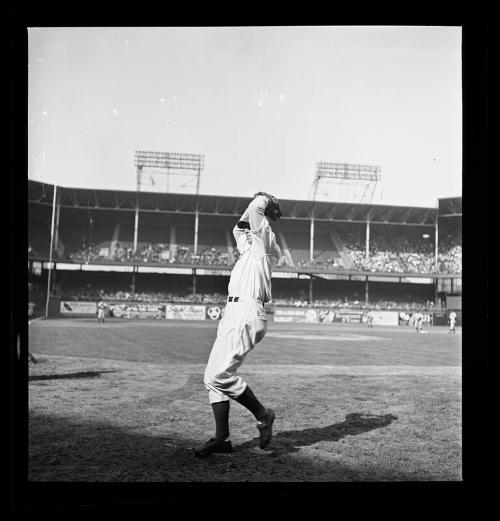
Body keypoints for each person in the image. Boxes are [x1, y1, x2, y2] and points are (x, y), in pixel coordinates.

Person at [194, 192, 282, 458]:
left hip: (247, 311)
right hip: (232, 312)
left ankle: (263, 414)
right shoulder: (249, 249)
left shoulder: (266, 244)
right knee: (211, 377)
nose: (249, 231)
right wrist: (256, 208)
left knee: (220, 376)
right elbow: (239, 227)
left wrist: (265, 199)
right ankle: (223, 439)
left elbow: (255, 211)